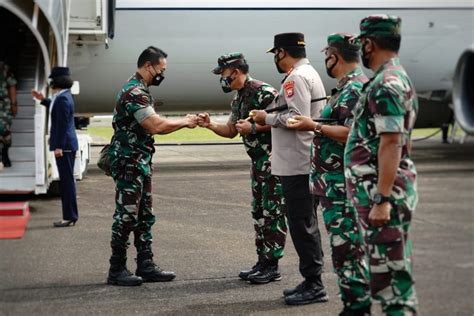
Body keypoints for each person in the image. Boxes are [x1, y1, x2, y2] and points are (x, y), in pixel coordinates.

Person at [287, 33, 371, 315]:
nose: (326, 60)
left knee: (348, 250)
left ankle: (357, 306)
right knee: (342, 250)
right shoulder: (345, 87)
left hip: (343, 186)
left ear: (334, 55)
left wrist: (315, 126)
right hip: (332, 185)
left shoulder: (355, 88)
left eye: (327, 54)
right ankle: (353, 304)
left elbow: (352, 133)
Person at [344, 15, 419, 315]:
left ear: (368, 43)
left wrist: (382, 198)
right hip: (381, 190)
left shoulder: (387, 84)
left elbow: (392, 143)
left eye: (362, 44)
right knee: (385, 273)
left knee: (391, 280)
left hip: (382, 195)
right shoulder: (394, 78)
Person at [106, 46, 198, 287]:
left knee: (144, 215)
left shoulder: (140, 88)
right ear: (149, 66)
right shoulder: (134, 92)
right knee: (126, 216)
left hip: (140, 162)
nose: (162, 74)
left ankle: (145, 265)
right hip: (129, 163)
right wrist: (185, 121)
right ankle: (116, 268)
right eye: (161, 69)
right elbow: (155, 125)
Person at [251, 32, 328, 306]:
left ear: (282, 53)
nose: (275, 59)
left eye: (275, 54)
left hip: (298, 164)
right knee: (306, 224)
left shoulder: (296, 77)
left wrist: (265, 117)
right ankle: (311, 281)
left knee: (302, 225)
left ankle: (314, 284)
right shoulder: (309, 73)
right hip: (303, 161)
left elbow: (296, 117)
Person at [197, 53, 287, 284]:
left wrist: (254, 128)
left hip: (273, 161)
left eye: (223, 74)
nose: (222, 79)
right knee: (259, 213)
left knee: (272, 214)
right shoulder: (239, 98)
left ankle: (272, 265)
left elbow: (282, 121)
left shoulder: (264, 92)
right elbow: (231, 130)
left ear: (235, 72)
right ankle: (262, 261)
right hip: (258, 163)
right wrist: (210, 125)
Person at [31, 67, 79, 227]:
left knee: (67, 183)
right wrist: (43, 99)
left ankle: (70, 216)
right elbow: (56, 110)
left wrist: (59, 146)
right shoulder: (62, 96)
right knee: (67, 182)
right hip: (66, 146)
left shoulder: (63, 98)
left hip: (64, 147)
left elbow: (63, 125)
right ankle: (70, 215)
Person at [0, 61, 17, 168]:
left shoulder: (3, 67)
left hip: (3, 105)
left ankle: (5, 156)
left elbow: (12, 86)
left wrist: (14, 104)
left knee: (5, 131)